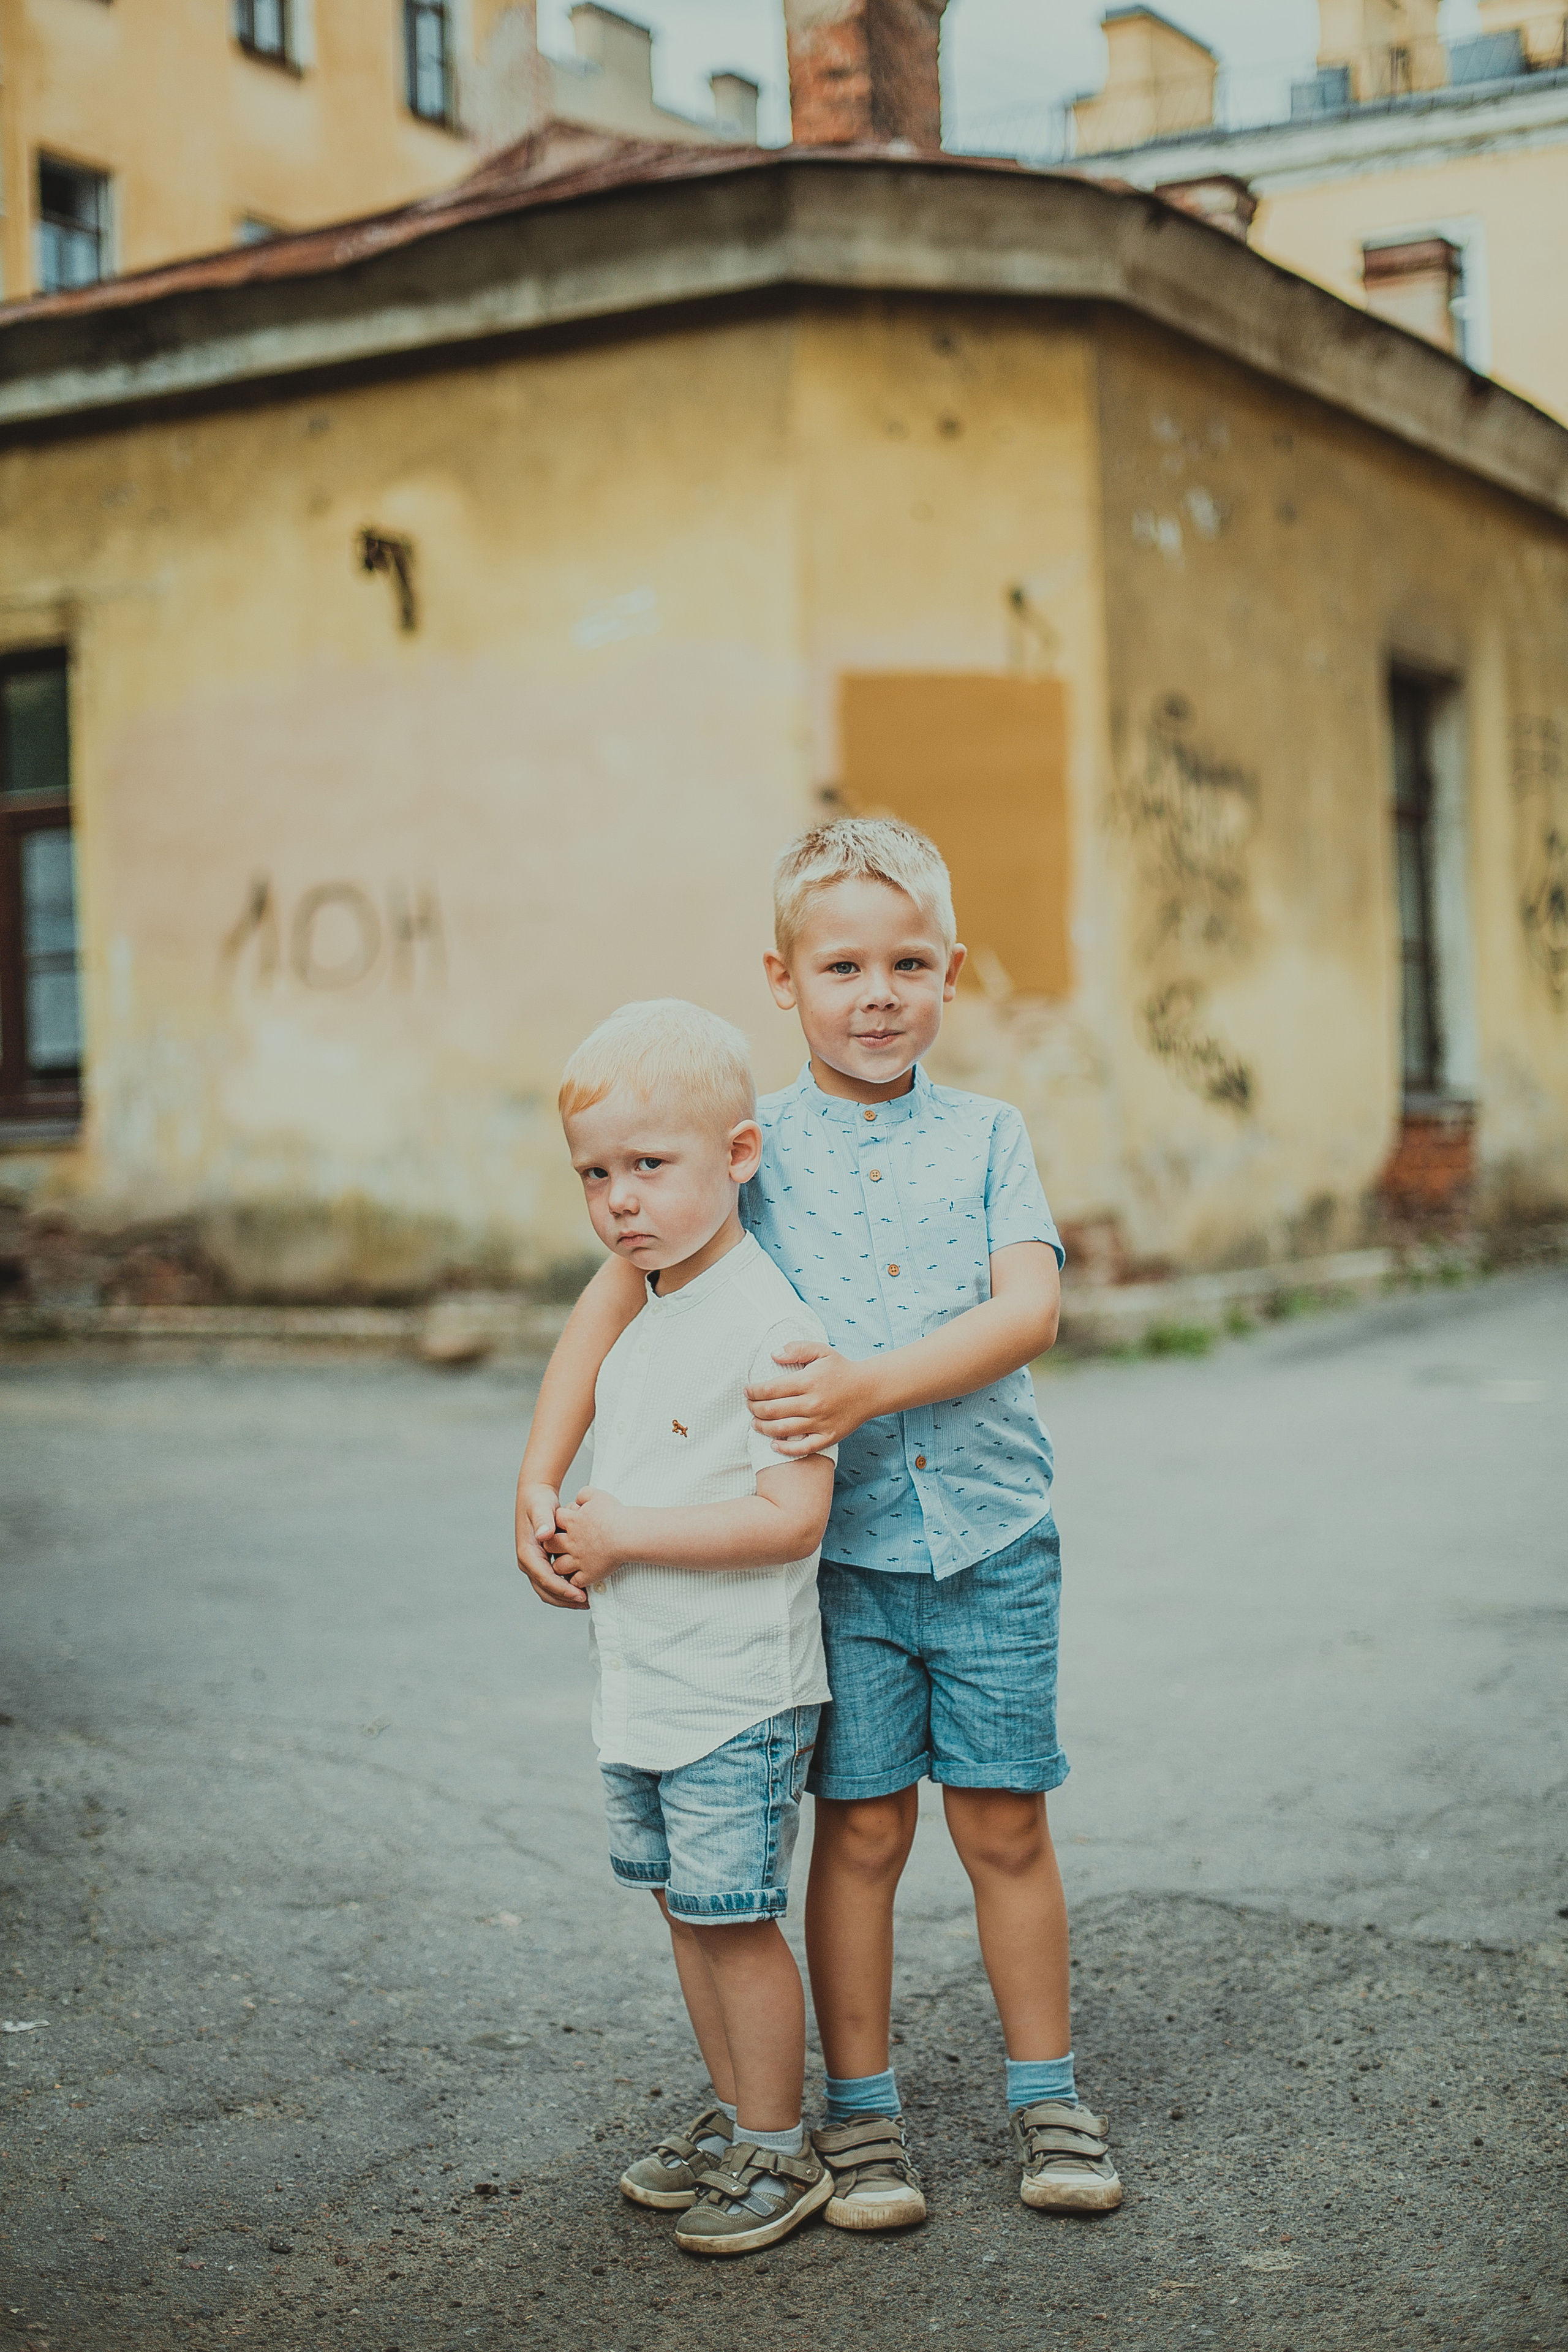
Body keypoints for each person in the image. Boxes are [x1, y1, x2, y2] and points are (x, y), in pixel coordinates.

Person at [519, 819, 1121, 2227]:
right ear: (781, 980)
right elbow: (606, 1307)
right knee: (855, 1834)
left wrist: (861, 1387)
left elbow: (1026, 1309)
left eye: (907, 962)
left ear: (950, 974)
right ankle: (856, 2117)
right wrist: (538, 1473)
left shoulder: (986, 1137)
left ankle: (1048, 2097)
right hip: (834, 1561)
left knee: (1005, 1823)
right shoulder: (743, 1149)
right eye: (840, 963)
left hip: (988, 1540)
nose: (876, 992)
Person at [515, 998, 839, 2256]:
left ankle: (778, 2146)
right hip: (648, 1684)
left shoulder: (769, 1328)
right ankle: (731, 2112)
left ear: (737, 1157)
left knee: (731, 1915)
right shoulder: (648, 1296)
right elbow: (587, 1389)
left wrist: (620, 1537)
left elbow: (788, 1516)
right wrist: (545, 1501)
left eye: (650, 1167)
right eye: (595, 1175)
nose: (619, 1201)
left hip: (737, 1695)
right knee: (680, 1907)